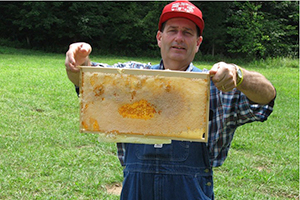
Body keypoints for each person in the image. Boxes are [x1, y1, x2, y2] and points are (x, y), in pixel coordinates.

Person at [65, 0, 276, 199]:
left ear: (198, 42)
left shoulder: (217, 85)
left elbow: (266, 98)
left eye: (187, 33)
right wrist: (79, 62)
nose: (179, 38)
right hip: (136, 191)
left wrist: (239, 75)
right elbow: (87, 81)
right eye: (172, 30)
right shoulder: (132, 80)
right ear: (159, 37)